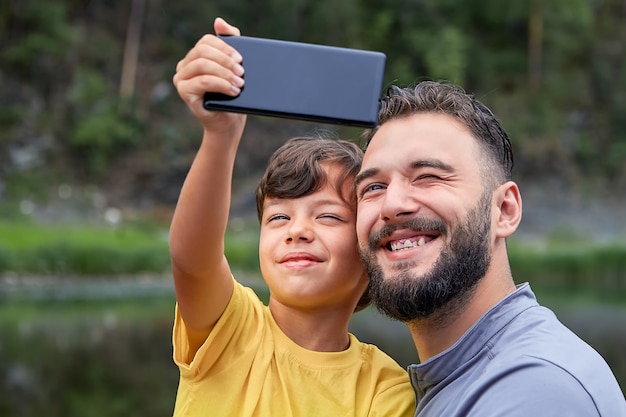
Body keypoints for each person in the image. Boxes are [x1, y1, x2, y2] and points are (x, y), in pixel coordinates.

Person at [168, 17, 415, 417]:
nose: (297, 231)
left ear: (370, 248)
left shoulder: (386, 389)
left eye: (329, 218)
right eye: (278, 218)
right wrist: (220, 135)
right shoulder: (230, 331)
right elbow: (191, 260)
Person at [354, 80, 626, 416]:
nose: (391, 204)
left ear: (504, 211)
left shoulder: (536, 390)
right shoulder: (461, 380)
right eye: (373, 187)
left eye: (428, 176)